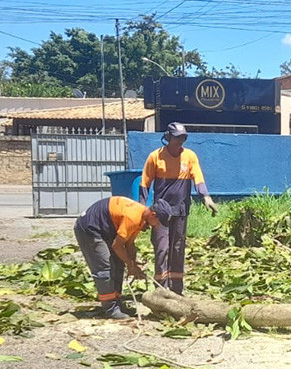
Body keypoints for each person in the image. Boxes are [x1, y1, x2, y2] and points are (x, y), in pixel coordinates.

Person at [138, 122, 219, 294]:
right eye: (176, 138)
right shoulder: (155, 157)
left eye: (183, 138)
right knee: (162, 248)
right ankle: (161, 288)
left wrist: (206, 196)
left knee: (178, 248)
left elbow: (198, 177)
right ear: (168, 138)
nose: (180, 142)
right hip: (161, 212)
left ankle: (177, 289)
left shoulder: (190, 156)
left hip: (181, 210)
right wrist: (142, 209)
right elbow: (144, 183)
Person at [74, 195, 168, 319]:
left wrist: (133, 264)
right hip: (89, 229)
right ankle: (110, 308)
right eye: (158, 223)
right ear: (153, 215)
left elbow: (129, 244)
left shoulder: (141, 217)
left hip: (105, 229)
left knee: (119, 263)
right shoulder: (133, 218)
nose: (157, 226)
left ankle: (117, 301)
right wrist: (130, 265)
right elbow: (117, 246)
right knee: (104, 267)